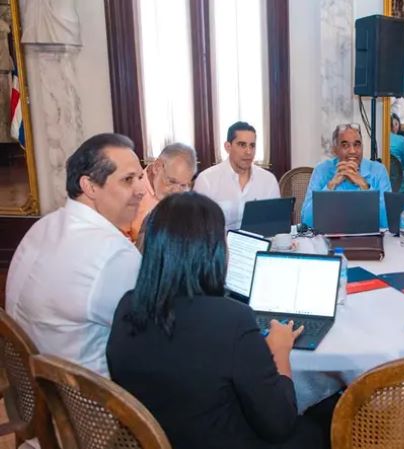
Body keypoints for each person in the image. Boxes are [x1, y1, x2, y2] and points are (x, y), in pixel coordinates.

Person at [107, 192, 326, 449]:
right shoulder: (232, 319)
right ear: (213, 251)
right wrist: (280, 352)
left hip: (153, 440)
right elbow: (280, 424)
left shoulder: (127, 306)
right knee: (316, 427)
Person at [5, 133, 145, 376]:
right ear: (90, 186)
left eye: (141, 178)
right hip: (92, 396)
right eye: (128, 180)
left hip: (35, 386)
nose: (141, 190)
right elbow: (152, 337)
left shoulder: (43, 226)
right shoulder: (114, 255)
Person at [300, 123, 392, 228]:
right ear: (335, 150)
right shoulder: (322, 170)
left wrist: (365, 186)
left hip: (368, 235)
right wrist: (331, 186)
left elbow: (388, 221)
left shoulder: (378, 170)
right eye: (345, 145)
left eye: (357, 144)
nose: (352, 151)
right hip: (330, 235)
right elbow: (306, 221)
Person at [194, 121, 280, 230]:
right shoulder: (206, 180)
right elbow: (198, 227)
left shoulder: (268, 180)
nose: (248, 152)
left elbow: (275, 223)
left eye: (252, 146)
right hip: (220, 240)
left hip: (260, 239)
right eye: (242, 145)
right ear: (228, 147)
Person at [124, 142, 197, 243]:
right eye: (171, 181)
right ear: (157, 167)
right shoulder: (127, 193)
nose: (176, 191)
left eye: (183, 185)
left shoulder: (186, 195)